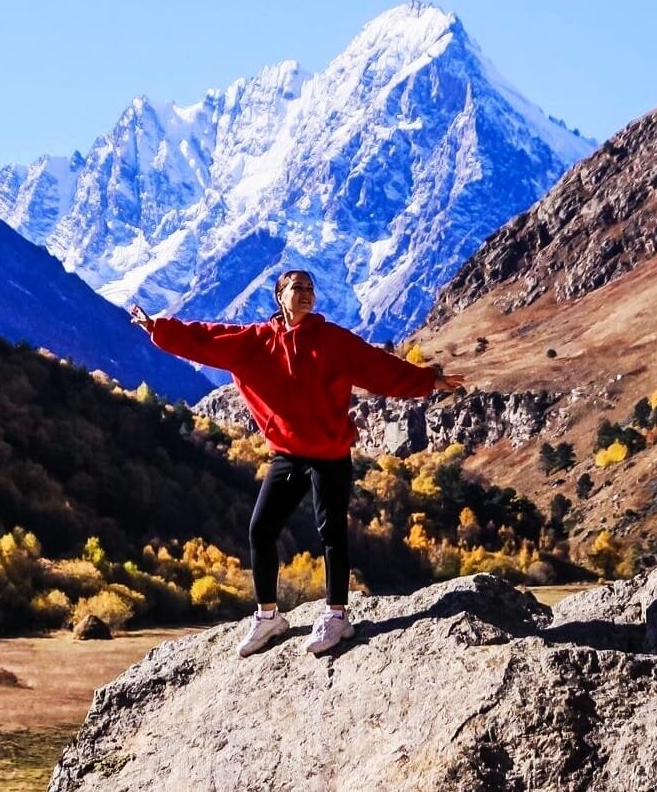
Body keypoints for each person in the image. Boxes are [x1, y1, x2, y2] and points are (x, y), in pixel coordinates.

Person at [130, 270, 464, 656]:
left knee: (332, 533)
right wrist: (159, 328)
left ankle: (337, 616)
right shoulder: (254, 342)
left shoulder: (333, 340)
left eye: (310, 289)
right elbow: (206, 338)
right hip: (288, 454)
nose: (306, 294)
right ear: (279, 297)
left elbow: (379, 367)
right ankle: (268, 616)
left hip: (330, 454)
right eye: (297, 289)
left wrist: (427, 381)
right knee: (261, 529)